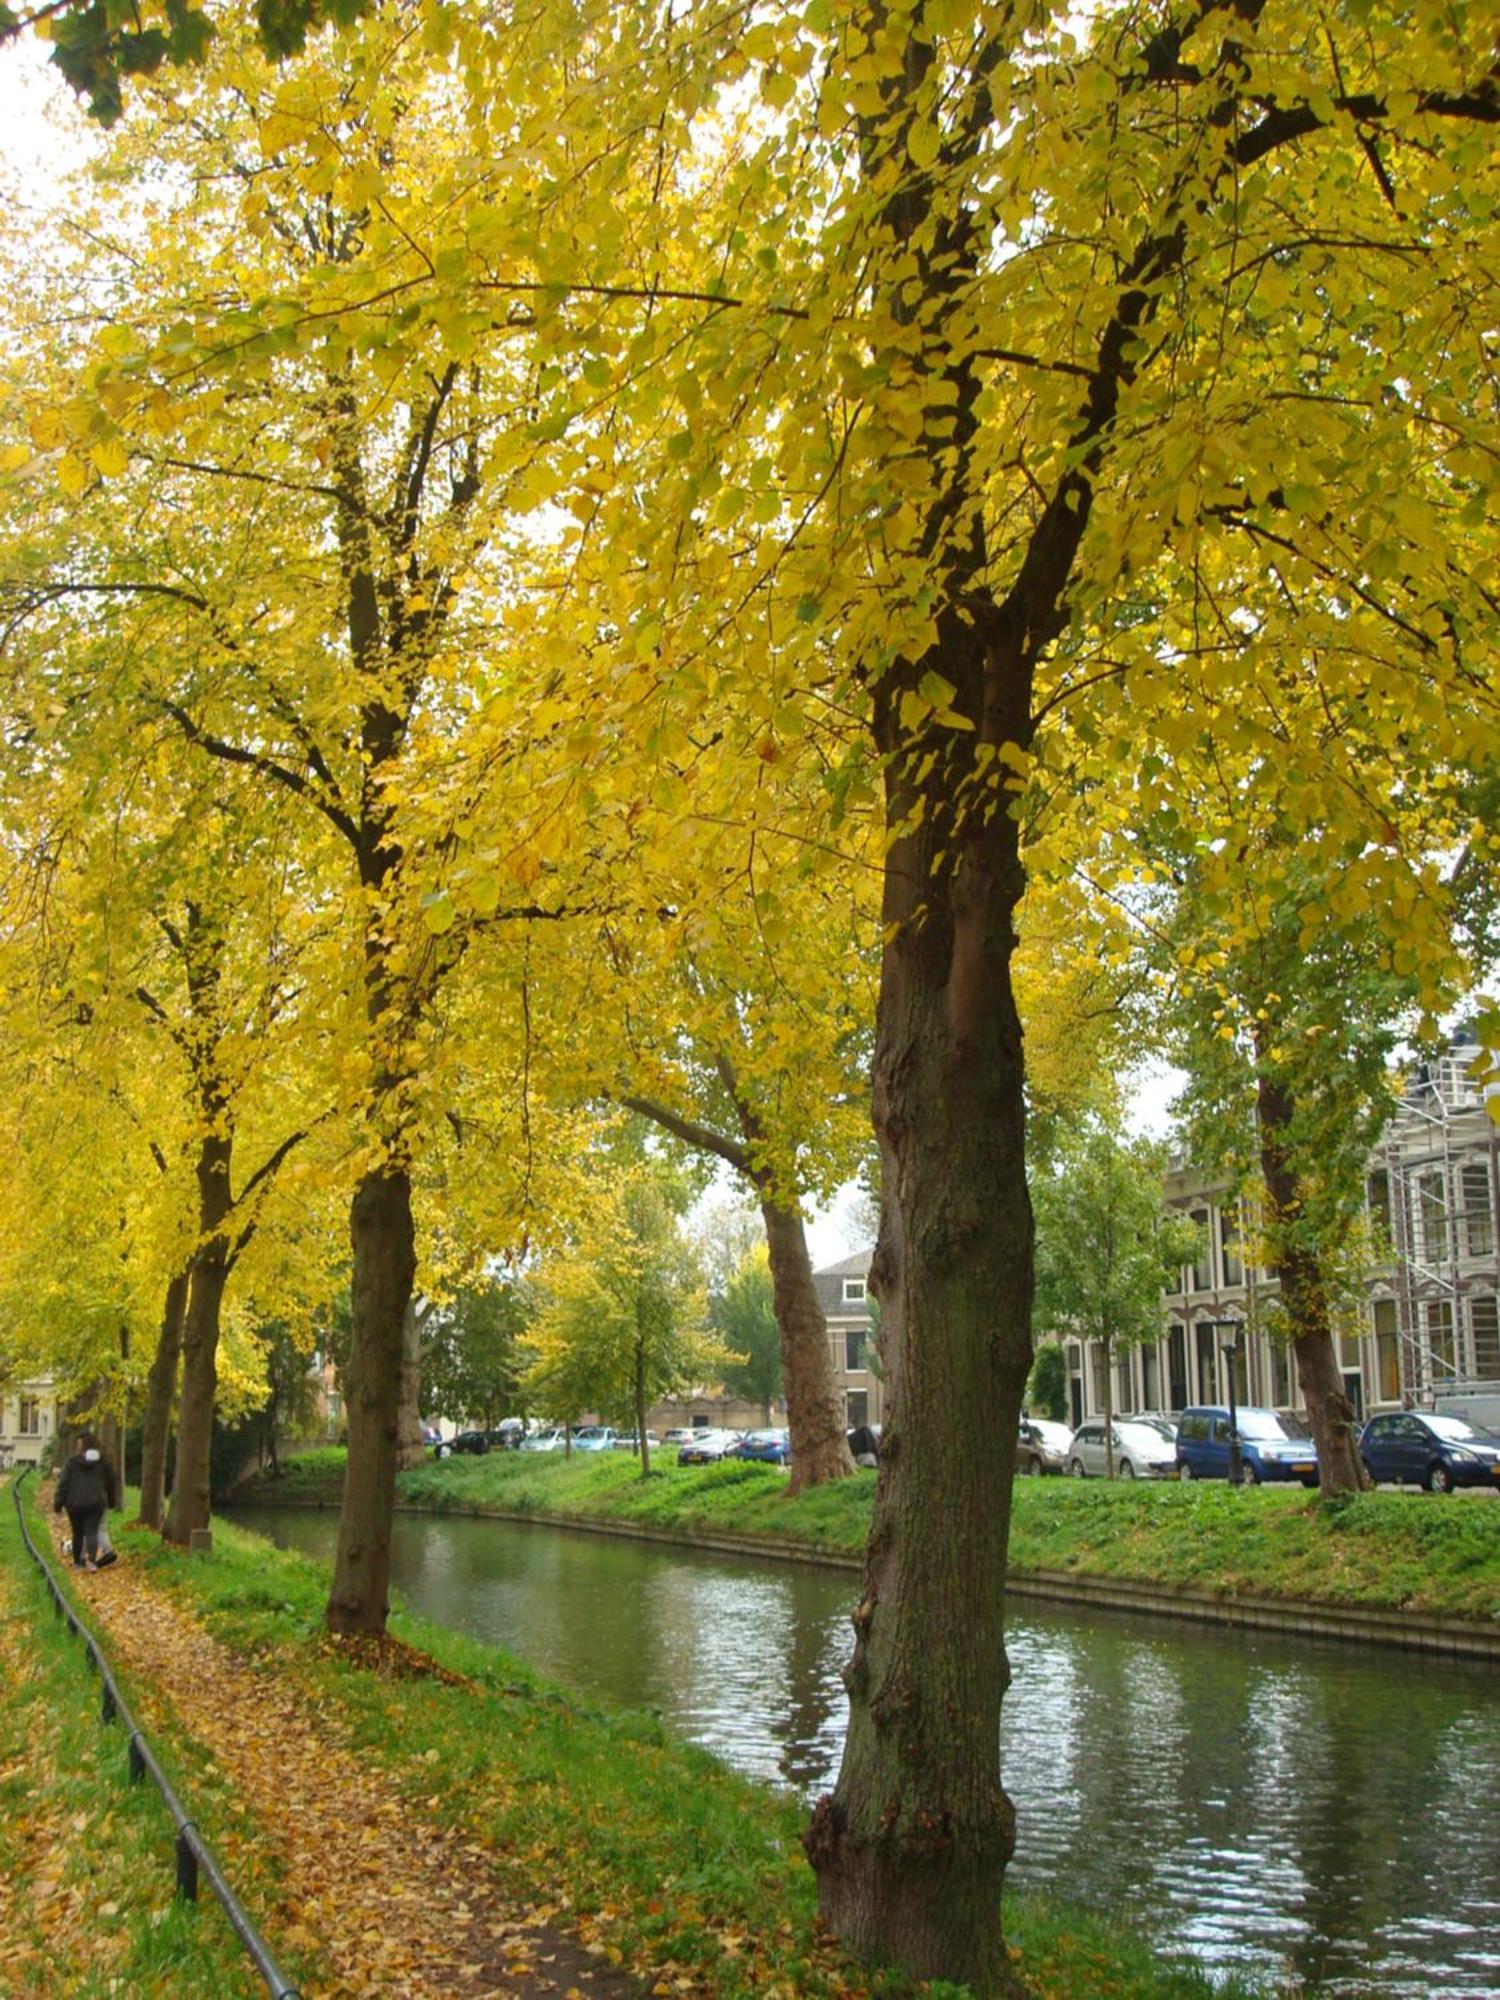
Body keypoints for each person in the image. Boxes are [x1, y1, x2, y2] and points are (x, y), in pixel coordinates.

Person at [54, 1432, 119, 1572]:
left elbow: (63, 1483)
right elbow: (111, 1483)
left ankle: (78, 1563)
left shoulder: (72, 1462)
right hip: (96, 1502)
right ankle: (91, 1563)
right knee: (91, 1532)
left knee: (77, 1533)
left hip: (74, 1502)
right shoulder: (104, 1462)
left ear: (84, 1445)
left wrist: (58, 1503)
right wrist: (112, 1501)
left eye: (79, 1444)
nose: (77, 1447)